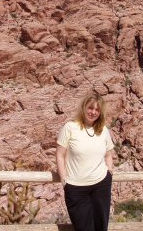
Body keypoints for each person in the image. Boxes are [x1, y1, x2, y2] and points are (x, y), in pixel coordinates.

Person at [56, 92, 115, 231]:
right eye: (90, 108)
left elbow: (108, 155)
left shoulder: (103, 130)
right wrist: (64, 181)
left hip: (101, 185)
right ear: (84, 108)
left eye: (97, 109)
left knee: (101, 227)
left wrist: (109, 173)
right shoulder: (70, 127)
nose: (93, 112)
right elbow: (60, 155)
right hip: (76, 188)